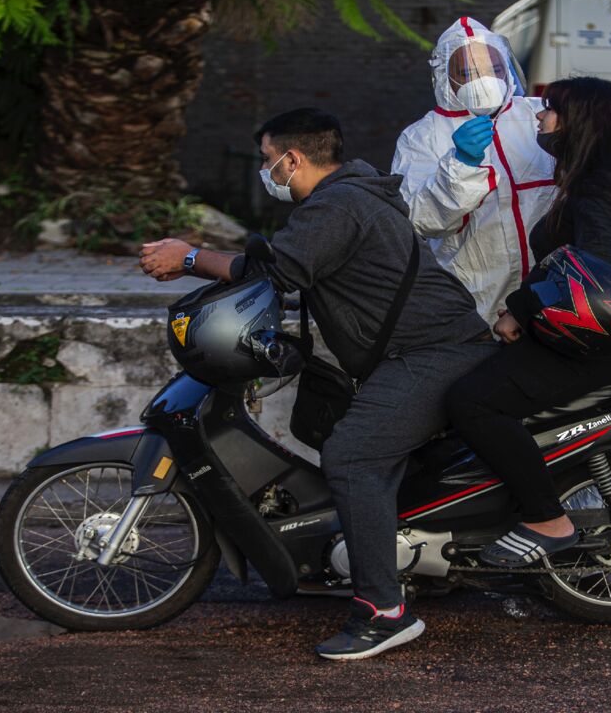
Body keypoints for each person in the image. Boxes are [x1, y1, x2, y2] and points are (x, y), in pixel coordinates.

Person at [138, 108, 496, 660]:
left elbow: (276, 272)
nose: (267, 171)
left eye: (267, 161)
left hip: (431, 355)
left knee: (352, 458)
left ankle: (384, 611)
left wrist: (188, 256)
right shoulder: (352, 196)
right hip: (426, 349)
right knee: (342, 433)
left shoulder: (336, 205)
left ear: (293, 159)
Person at [444, 77, 611, 566]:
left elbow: (589, 276)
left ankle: (546, 518)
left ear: (579, 123)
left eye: (551, 111)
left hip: (608, 348)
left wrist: (519, 309)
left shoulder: (601, 187)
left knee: (470, 402)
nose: (540, 119)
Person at [392, 16, 611, 324]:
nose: (483, 78)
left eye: (494, 68)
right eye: (466, 72)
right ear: (444, 74)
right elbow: (421, 221)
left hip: (554, 290)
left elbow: (602, 177)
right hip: (474, 295)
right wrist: (460, 166)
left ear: (507, 66)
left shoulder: (540, 115)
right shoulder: (423, 136)